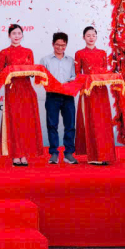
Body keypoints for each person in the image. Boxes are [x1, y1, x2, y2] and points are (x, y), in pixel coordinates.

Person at [0, 24, 44, 166]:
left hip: (26, 89)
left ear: (22, 35)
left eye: (19, 33)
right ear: (9, 35)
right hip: (12, 89)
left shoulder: (28, 51)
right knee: (14, 122)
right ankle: (15, 154)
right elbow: (1, 73)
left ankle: (24, 153)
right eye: (14, 33)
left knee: (25, 122)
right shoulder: (4, 52)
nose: (16, 36)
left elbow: (31, 72)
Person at [74, 26, 117, 165]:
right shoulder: (79, 53)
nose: (91, 38)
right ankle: (93, 156)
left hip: (101, 91)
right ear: (83, 37)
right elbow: (78, 74)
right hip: (88, 91)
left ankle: (105, 154)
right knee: (91, 121)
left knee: (103, 121)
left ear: (96, 37)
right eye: (88, 35)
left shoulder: (103, 53)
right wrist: (88, 80)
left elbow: (105, 72)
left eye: (93, 35)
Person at [39, 32, 77, 165]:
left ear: (66, 45)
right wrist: (54, 85)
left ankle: (68, 153)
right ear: (52, 44)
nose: (60, 47)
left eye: (63, 45)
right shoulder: (45, 60)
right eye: (57, 45)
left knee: (70, 125)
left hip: (68, 95)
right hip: (52, 95)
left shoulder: (71, 60)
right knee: (52, 125)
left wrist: (67, 84)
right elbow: (42, 78)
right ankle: (54, 153)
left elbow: (74, 76)